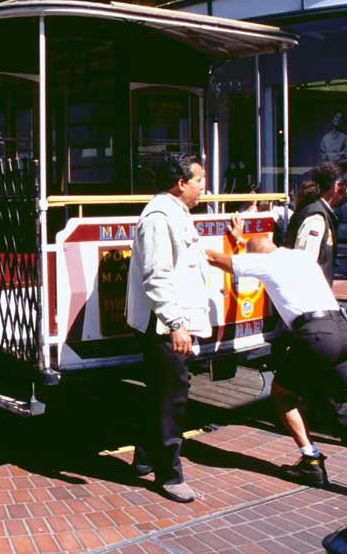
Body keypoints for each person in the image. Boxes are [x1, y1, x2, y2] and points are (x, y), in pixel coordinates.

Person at [206, 220, 347, 515]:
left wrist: (191, 242)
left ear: (257, 256)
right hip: (345, 332)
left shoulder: (266, 265)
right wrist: (241, 240)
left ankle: (311, 460)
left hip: (315, 334)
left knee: (282, 393)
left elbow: (217, 259)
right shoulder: (300, 258)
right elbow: (257, 253)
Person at [125, 153, 210, 503]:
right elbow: (157, 276)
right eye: (200, 180)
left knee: (159, 394)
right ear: (180, 183)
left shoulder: (176, 213)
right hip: (164, 326)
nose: (203, 187)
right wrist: (176, 323)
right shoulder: (160, 217)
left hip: (169, 323)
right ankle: (170, 475)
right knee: (173, 399)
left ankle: (145, 459)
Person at [283, 162, 347, 449]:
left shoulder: (321, 214)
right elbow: (302, 265)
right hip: (312, 310)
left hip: (316, 308)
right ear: (336, 187)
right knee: (328, 367)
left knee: (322, 370)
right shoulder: (316, 218)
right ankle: (343, 427)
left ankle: (339, 424)